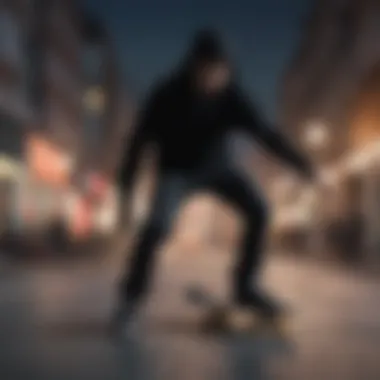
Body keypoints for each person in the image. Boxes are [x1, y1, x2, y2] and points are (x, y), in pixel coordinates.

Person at [114, 29, 314, 333]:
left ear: (226, 70)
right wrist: (126, 188)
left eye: (219, 73)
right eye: (206, 72)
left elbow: (265, 134)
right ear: (193, 67)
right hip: (175, 171)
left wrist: (301, 164)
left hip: (219, 170)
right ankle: (131, 299)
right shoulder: (166, 95)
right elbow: (138, 142)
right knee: (156, 229)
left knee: (258, 210)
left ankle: (245, 289)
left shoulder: (232, 96)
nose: (213, 80)